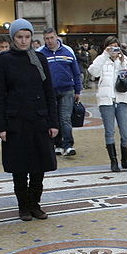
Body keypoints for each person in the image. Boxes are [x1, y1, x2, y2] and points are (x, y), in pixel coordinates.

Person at [0, 19, 58, 221]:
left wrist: (53, 122)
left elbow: (49, 92)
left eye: (27, 37)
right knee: (20, 167)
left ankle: (35, 203)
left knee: (39, 165)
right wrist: (1, 126)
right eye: (19, 37)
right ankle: (23, 205)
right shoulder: (4, 60)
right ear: (13, 38)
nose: (23, 41)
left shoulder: (40, 59)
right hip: (15, 121)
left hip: (38, 119)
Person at [88, 35, 127, 172]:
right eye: (111, 46)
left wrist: (121, 61)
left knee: (126, 133)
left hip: (122, 98)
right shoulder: (102, 59)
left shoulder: (126, 60)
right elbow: (93, 72)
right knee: (109, 132)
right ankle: (113, 161)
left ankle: (125, 159)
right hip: (106, 100)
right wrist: (104, 55)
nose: (114, 49)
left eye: (116, 46)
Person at [38, 28, 82, 157]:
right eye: (47, 38)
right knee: (53, 118)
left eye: (52, 38)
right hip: (49, 92)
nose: (50, 41)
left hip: (67, 90)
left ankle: (68, 145)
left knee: (65, 118)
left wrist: (78, 90)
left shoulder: (68, 51)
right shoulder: (40, 53)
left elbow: (76, 72)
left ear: (56, 37)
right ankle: (57, 144)